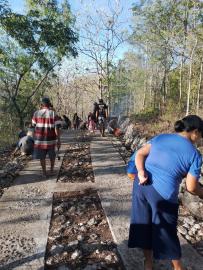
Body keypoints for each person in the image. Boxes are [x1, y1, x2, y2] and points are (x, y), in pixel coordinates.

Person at [128, 115, 203, 270]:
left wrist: (141, 172)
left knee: (144, 225)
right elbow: (191, 187)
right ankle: (178, 267)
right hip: (163, 194)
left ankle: (148, 263)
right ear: (195, 132)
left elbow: (140, 154)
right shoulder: (195, 154)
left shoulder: (161, 138)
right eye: (201, 135)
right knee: (167, 232)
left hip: (141, 186)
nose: (200, 139)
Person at [32, 97, 61, 178]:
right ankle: (51, 170)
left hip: (39, 140)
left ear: (41, 104)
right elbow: (57, 128)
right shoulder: (53, 113)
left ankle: (44, 173)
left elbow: (34, 125)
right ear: (49, 104)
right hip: (51, 140)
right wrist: (58, 140)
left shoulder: (36, 113)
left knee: (42, 157)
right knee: (52, 155)